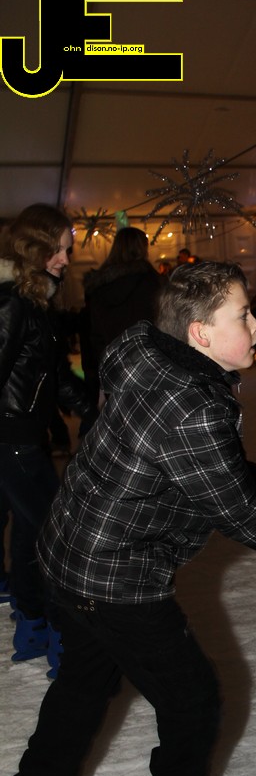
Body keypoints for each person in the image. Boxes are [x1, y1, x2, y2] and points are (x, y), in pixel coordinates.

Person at [0, 260, 256, 776]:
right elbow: (236, 507)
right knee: (192, 696)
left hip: (71, 547)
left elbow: (229, 478)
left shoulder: (145, 349)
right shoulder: (192, 406)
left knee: (85, 684)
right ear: (200, 333)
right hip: (114, 573)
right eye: (241, 316)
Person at [0, 204, 96, 677]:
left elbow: (54, 376)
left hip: (23, 438)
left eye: (67, 250)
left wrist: (95, 408)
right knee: (58, 538)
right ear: (33, 249)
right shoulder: (11, 304)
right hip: (10, 441)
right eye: (58, 249)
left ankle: (33, 624)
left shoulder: (36, 301)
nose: (65, 258)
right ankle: (63, 639)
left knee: (29, 530)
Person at [80, 227, 162, 404]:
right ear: (142, 248)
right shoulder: (153, 284)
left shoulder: (99, 286)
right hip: (150, 370)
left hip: (114, 370)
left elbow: (94, 335)